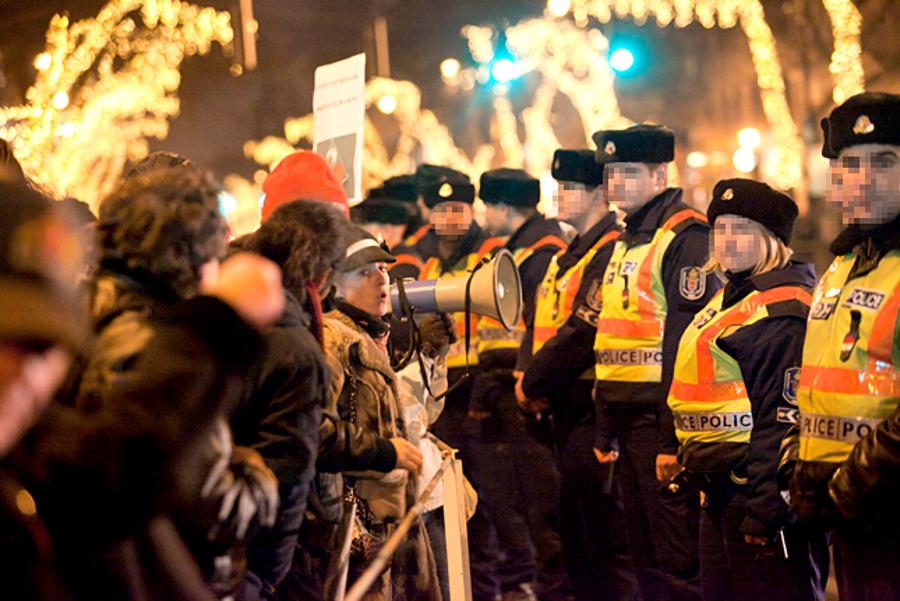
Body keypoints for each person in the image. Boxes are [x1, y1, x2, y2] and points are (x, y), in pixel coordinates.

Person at [0, 175, 286, 601]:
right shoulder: (139, 337)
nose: (27, 372)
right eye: (9, 338)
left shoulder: (30, 449)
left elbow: (115, 469)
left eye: (45, 346)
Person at [667, 179, 827, 601]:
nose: (727, 240)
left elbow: (782, 418)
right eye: (721, 228)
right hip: (719, 491)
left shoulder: (781, 308)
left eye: (741, 229)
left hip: (755, 498)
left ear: (770, 239)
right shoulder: (731, 298)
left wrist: (766, 512)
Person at [590, 124, 719, 601]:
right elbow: (610, 334)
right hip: (626, 419)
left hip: (658, 421)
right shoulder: (629, 238)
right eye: (609, 173)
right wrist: (605, 425)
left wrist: (671, 438)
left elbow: (685, 342)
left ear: (659, 173)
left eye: (626, 172)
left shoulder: (685, 236)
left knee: (678, 560)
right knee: (643, 554)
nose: (614, 184)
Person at [784, 91, 900, 601]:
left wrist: (850, 484)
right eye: (851, 164)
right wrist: (801, 463)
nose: (866, 179)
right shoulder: (843, 268)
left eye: (886, 161)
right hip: (850, 514)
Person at [516, 149, 637, 601]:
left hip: (592, 412)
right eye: (558, 187)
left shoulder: (609, 251)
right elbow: (538, 321)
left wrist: (531, 383)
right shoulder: (567, 254)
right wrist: (529, 380)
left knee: (607, 549)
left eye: (570, 189)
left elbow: (581, 333)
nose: (559, 196)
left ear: (601, 195)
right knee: (576, 546)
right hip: (559, 412)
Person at [231, 199, 348, 600]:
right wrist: (267, 575)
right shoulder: (295, 349)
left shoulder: (222, 313)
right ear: (320, 271)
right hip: (250, 557)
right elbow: (287, 466)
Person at [467, 168, 571, 601]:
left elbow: (535, 330)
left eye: (487, 205)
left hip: (533, 393)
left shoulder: (539, 253)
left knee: (544, 513)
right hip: (519, 387)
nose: (483, 214)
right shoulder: (528, 248)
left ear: (504, 208)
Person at [321, 227, 438, 601]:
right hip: (357, 528)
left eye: (382, 269)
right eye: (363, 272)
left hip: (395, 525)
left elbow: (417, 415)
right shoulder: (332, 339)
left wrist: (433, 357)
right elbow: (319, 429)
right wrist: (384, 452)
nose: (380, 278)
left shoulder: (378, 338)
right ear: (334, 283)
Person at [410, 164, 505, 601]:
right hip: (444, 399)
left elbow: (502, 336)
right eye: (441, 209)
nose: (449, 218)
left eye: (458, 208)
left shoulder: (490, 255)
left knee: (485, 514)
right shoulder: (429, 260)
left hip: (483, 402)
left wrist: (483, 395)